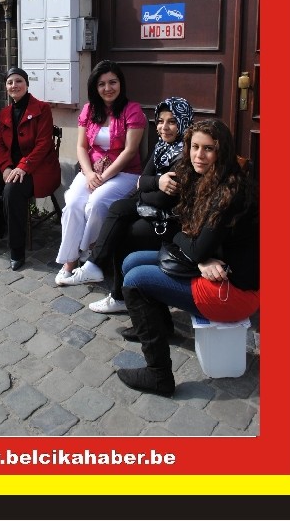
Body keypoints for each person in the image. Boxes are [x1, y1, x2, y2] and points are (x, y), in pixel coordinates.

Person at [117, 119, 260, 398]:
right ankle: (158, 326)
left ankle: (158, 374)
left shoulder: (229, 191)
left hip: (232, 291)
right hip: (213, 268)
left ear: (222, 151)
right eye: (195, 147)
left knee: (135, 281)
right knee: (130, 262)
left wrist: (195, 250)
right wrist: (198, 254)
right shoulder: (200, 177)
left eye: (208, 149)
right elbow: (176, 223)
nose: (199, 155)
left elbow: (188, 241)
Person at [62, 97, 193, 316]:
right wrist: (156, 183)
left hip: (171, 219)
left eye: (172, 122)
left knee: (124, 232)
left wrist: (149, 187)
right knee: (118, 208)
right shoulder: (162, 146)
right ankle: (95, 267)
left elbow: (163, 200)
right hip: (153, 209)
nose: (164, 127)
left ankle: (117, 296)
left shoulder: (187, 154)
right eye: (161, 121)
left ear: (183, 122)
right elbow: (142, 181)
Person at [54, 60, 147, 286]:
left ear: (121, 84)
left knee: (96, 203)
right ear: (95, 88)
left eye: (112, 82)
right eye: (101, 84)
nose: (108, 88)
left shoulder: (132, 110)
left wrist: (103, 178)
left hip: (125, 173)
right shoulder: (89, 110)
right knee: (73, 203)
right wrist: (88, 174)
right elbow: (81, 147)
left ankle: (89, 255)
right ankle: (69, 261)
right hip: (92, 171)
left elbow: (130, 151)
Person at [0, 67, 61, 271]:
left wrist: (22, 167)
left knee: (12, 190)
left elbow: (44, 144)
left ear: (27, 84)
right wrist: (5, 167)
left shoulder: (42, 109)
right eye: (10, 82)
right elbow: (0, 145)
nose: (14, 85)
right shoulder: (5, 113)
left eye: (19, 81)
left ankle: (16, 249)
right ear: (6, 87)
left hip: (37, 167)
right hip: (10, 164)